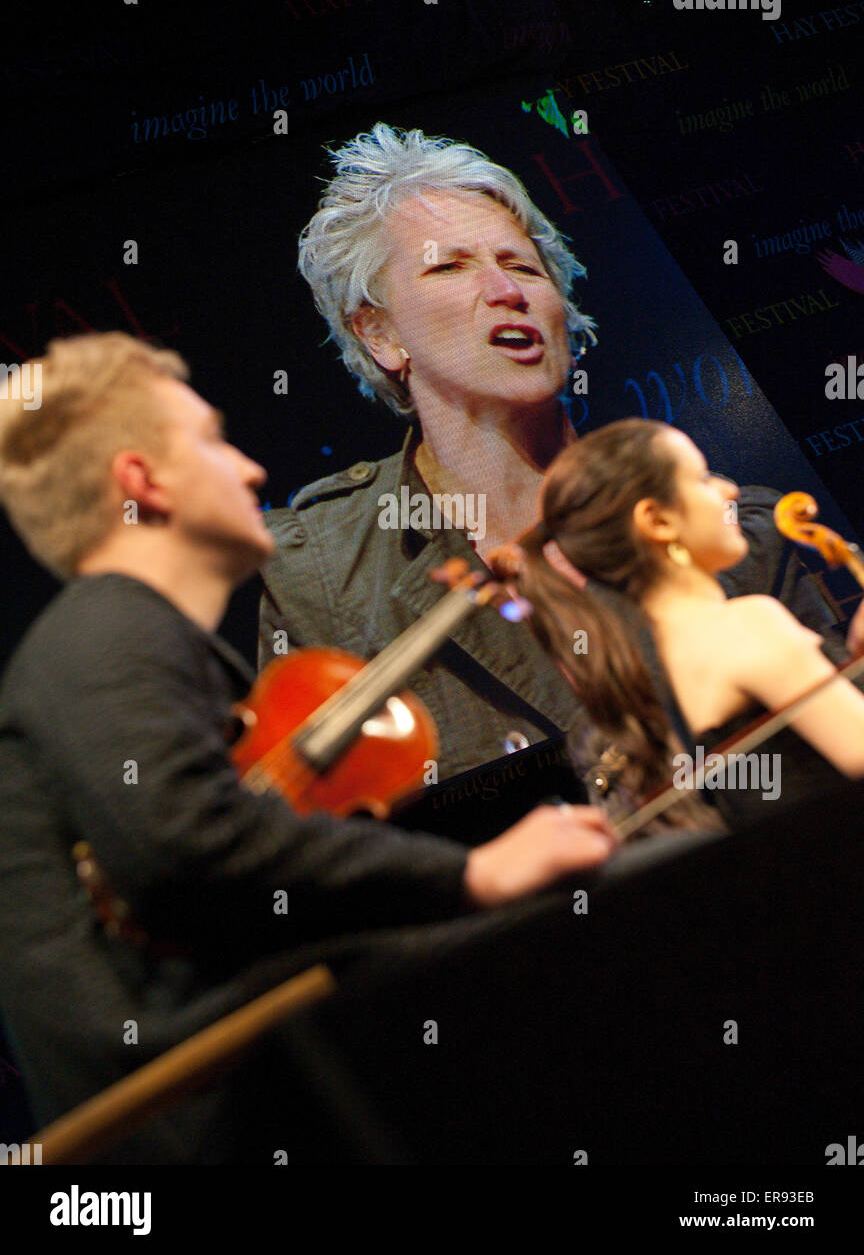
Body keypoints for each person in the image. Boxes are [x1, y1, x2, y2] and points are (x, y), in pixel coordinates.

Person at [0, 331, 621, 1162]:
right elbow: (186, 843)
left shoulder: (137, 640)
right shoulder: (108, 630)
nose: (253, 472)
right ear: (142, 483)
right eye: (214, 444)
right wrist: (471, 876)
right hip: (201, 1118)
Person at [260, 122, 859, 784]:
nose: (507, 290)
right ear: (379, 333)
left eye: (521, 265)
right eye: (449, 265)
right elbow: (312, 837)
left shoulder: (722, 526)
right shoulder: (315, 573)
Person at [487, 417, 864, 828]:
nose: (730, 490)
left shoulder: (645, 666)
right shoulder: (746, 625)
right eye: (703, 479)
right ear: (658, 521)